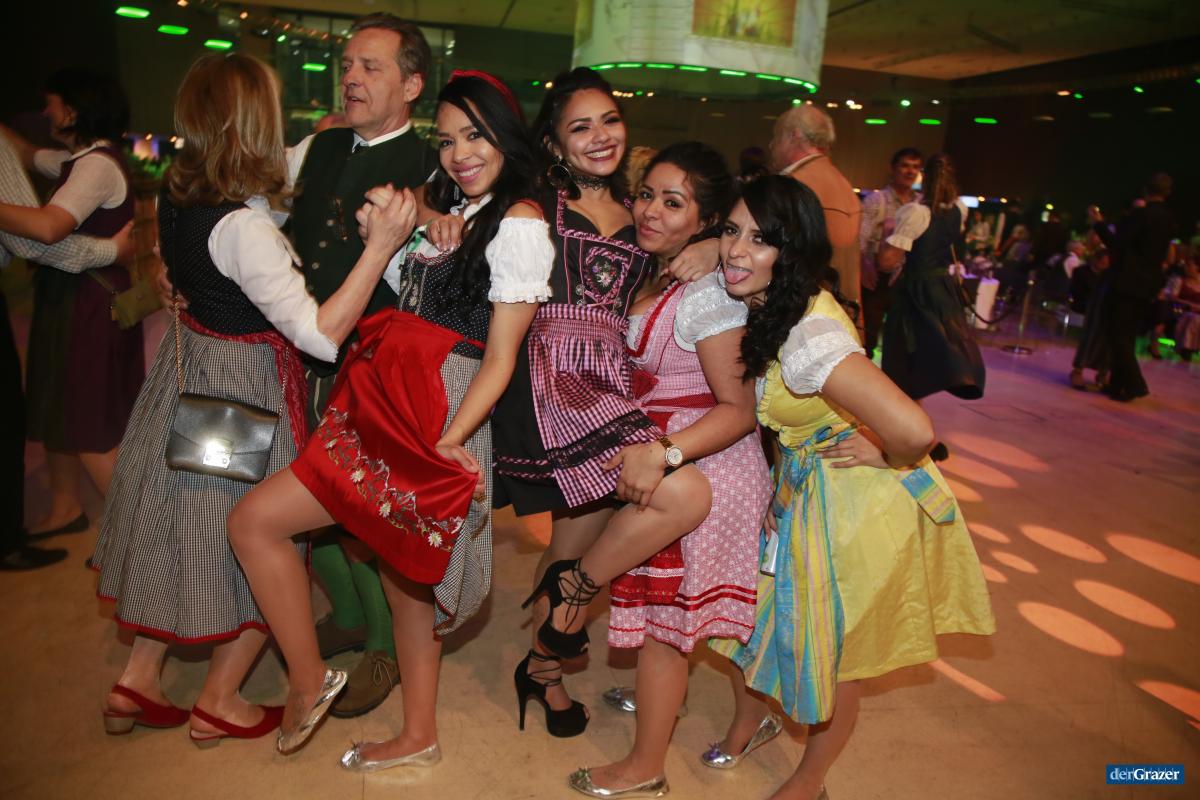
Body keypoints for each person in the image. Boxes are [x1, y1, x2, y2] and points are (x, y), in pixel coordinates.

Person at [227, 71, 552, 766]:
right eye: (447, 140)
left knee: (402, 580)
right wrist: (415, 227)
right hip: (385, 395)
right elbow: (402, 282)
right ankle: (338, 693)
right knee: (277, 529)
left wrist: (451, 440)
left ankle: (408, 729)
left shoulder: (521, 223)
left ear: (505, 137)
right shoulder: (454, 207)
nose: (459, 153)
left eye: (475, 135)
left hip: (439, 409)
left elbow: (500, 357)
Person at [91, 53, 416, 745]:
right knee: (251, 540)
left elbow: (268, 194)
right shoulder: (243, 228)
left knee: (185, 522)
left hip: (192, 373)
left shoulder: (181, 193)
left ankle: (138, 678)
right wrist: (380, 248)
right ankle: (221, 698)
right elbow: (319, 335)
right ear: (252, 120)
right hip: (242, 393)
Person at [709, 175, 995, 800]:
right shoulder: (772, 300)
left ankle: (810, 781)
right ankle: (750, 724)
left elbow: (914, 429)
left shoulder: (810, 335)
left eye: (760, 239)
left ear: (792, 251)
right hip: (805, 485)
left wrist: (884, 448)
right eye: (731, 231)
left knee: (835, 653)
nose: (736, 250)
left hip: (853, 505)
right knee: (750, 621)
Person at [489, 68, 713, 740]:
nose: (600, 136)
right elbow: (460, 200)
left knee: (572, 542)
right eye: (580, 127)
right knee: (679, 492)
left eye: (609, 120)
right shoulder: (535, 203)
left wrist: (707, 243)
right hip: (554, 379)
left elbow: (715, 224)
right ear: (554, 143)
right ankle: (570, 603)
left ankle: (543, 670)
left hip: (614, 378)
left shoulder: (640, 210)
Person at [568, 143, 770, 796]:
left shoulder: (710, 294)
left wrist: (666, 452)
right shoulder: (652, 270)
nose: (651, 211)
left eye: (673, 202)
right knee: (682, 620)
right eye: (647, 195)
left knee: (669, 628)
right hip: (671, 462)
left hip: (707, 469)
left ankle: (646, 767)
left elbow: (739, 410)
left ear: (706, 220)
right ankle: (721, 711)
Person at [0, 69, 143, 541]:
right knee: (66, 410)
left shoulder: (95, 166)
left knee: (88, 424)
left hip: (89, 300)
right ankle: (67, 509)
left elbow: (48, 228)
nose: (46, 112)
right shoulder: (77, 159)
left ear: (74, 111)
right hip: (75, 296)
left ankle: (138, 539)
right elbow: (26, 153)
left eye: (53, 103)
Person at [878, 154, 985, 404]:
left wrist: (887, 235)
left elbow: (887, 262)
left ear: (924, 177)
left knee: (906, 361)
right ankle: (914, 414)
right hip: (943, 291)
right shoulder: (959, 210)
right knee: (925, 359)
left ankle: (905, 419)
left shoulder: (916, 213)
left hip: (915, 293)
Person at [1089, 175, 1177, 401]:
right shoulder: (1169, 219)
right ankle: (1119, 386)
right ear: (1167, 193)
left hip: (1127, 281)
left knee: (1116, 332)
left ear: (1146, 190)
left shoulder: (1141, 215)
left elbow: (1117, 245)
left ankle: (1135, 383)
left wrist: (1098, 223)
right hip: (1148, 284)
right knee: (1127, 334)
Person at [767, 104, 862, 314]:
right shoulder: (844, 185)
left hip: (798, 311)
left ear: (794, 135)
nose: (771, 144)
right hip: (839, 312)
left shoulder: (790, 185)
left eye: (777, 135)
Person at [858, 147, 921, 359]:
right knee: (868, 337)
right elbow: (859, 239)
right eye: (905, 166)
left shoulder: (920, 203)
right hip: (877, 278)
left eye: (915, 167)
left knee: (901, 341)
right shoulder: (877, 200)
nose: (910, 171)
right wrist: (864, 266)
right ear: (893, 169)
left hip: (907, 280)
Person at [1069, 245, 1112, 390]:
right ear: (1096, 260)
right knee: (1091, 334)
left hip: (1103, 308)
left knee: (1107, 338)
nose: (1105, 267)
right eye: (1103, 263)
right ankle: (1078, 370)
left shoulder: (1108, 278)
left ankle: (1103, 372)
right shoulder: (1081, 272)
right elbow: (1077, 293)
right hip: (1086, 306)